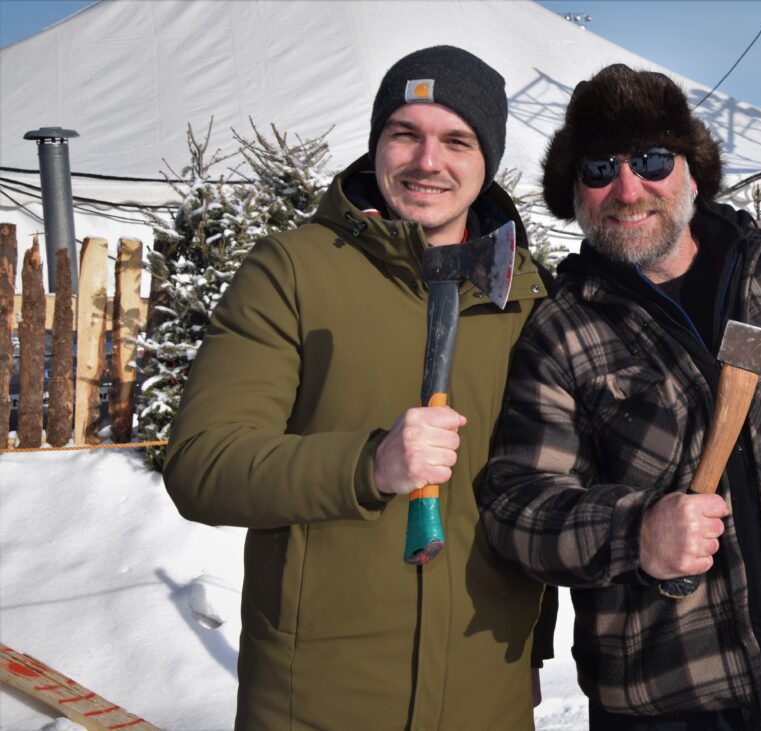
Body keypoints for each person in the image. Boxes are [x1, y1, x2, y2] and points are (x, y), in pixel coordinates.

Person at [480, 64, 761, 730]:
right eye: (600, 168)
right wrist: (634, 533)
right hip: (668, 703)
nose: (628, 188)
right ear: (576, 190)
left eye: (653, 160)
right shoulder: (564, 329)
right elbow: (518, 505)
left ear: (693, 168)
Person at [163, 46, 554, 730]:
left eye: (456, 140)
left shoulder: (522, 291)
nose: (426, 161)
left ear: (485, 159)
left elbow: (537, 483)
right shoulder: (293, 272)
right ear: (377, 145)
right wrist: (369, 464)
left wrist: (533, 653)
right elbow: (204, 463)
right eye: (405, 134)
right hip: (318, 694)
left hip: (483, 692)